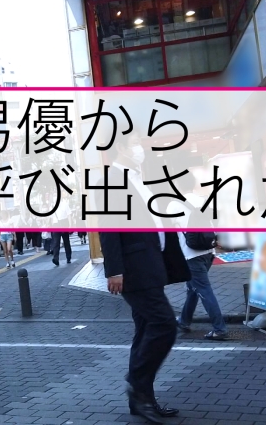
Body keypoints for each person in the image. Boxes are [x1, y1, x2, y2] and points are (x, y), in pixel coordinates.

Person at [98, 130, 178, 423]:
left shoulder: (138, 178)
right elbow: (108, 227)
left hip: (150, 264)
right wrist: (114, 270)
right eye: (135, 144)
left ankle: (143, 399)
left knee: (145, 329)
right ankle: (136, 384)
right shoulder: (112, 179)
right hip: (134, 269)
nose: (140, 148)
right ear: (120, 147)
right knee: (164, 324)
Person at [168, 175, 227, 341]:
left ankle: (220, 329)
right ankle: (184, 321)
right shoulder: (203, 200)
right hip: (209, 252)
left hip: (191, 254)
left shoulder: (174, 205)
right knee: (192, 287)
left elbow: (168, 231)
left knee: (203, 289)